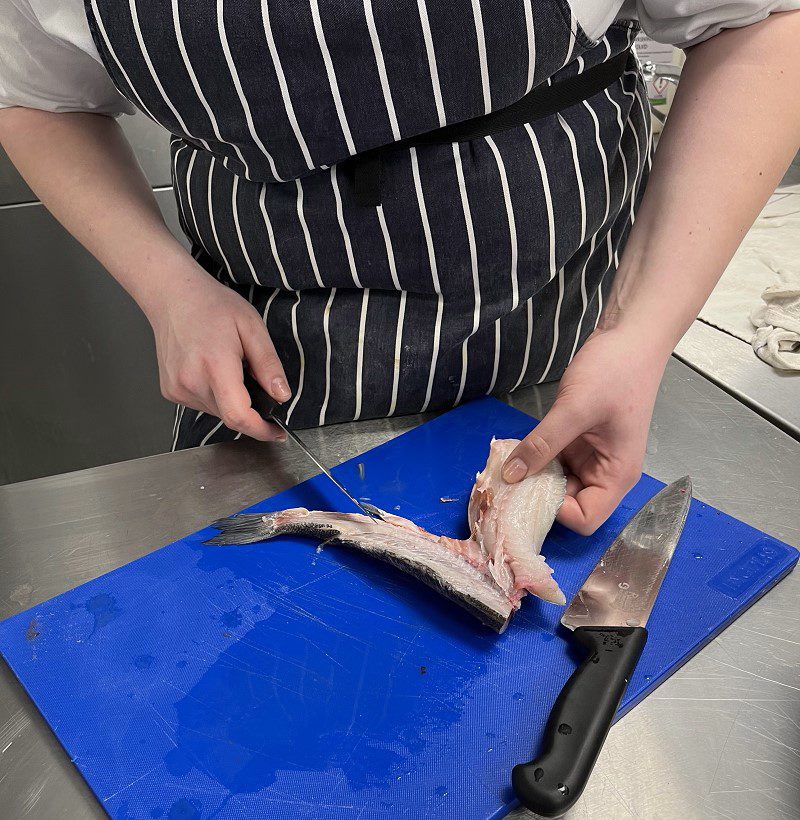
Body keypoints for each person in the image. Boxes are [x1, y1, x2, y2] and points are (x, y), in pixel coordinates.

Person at [1, 1, 798, 535]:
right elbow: (36, 95)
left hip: (568, 347)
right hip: (270, 360)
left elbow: (757, 22)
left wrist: (641, 331)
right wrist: (164, 285)